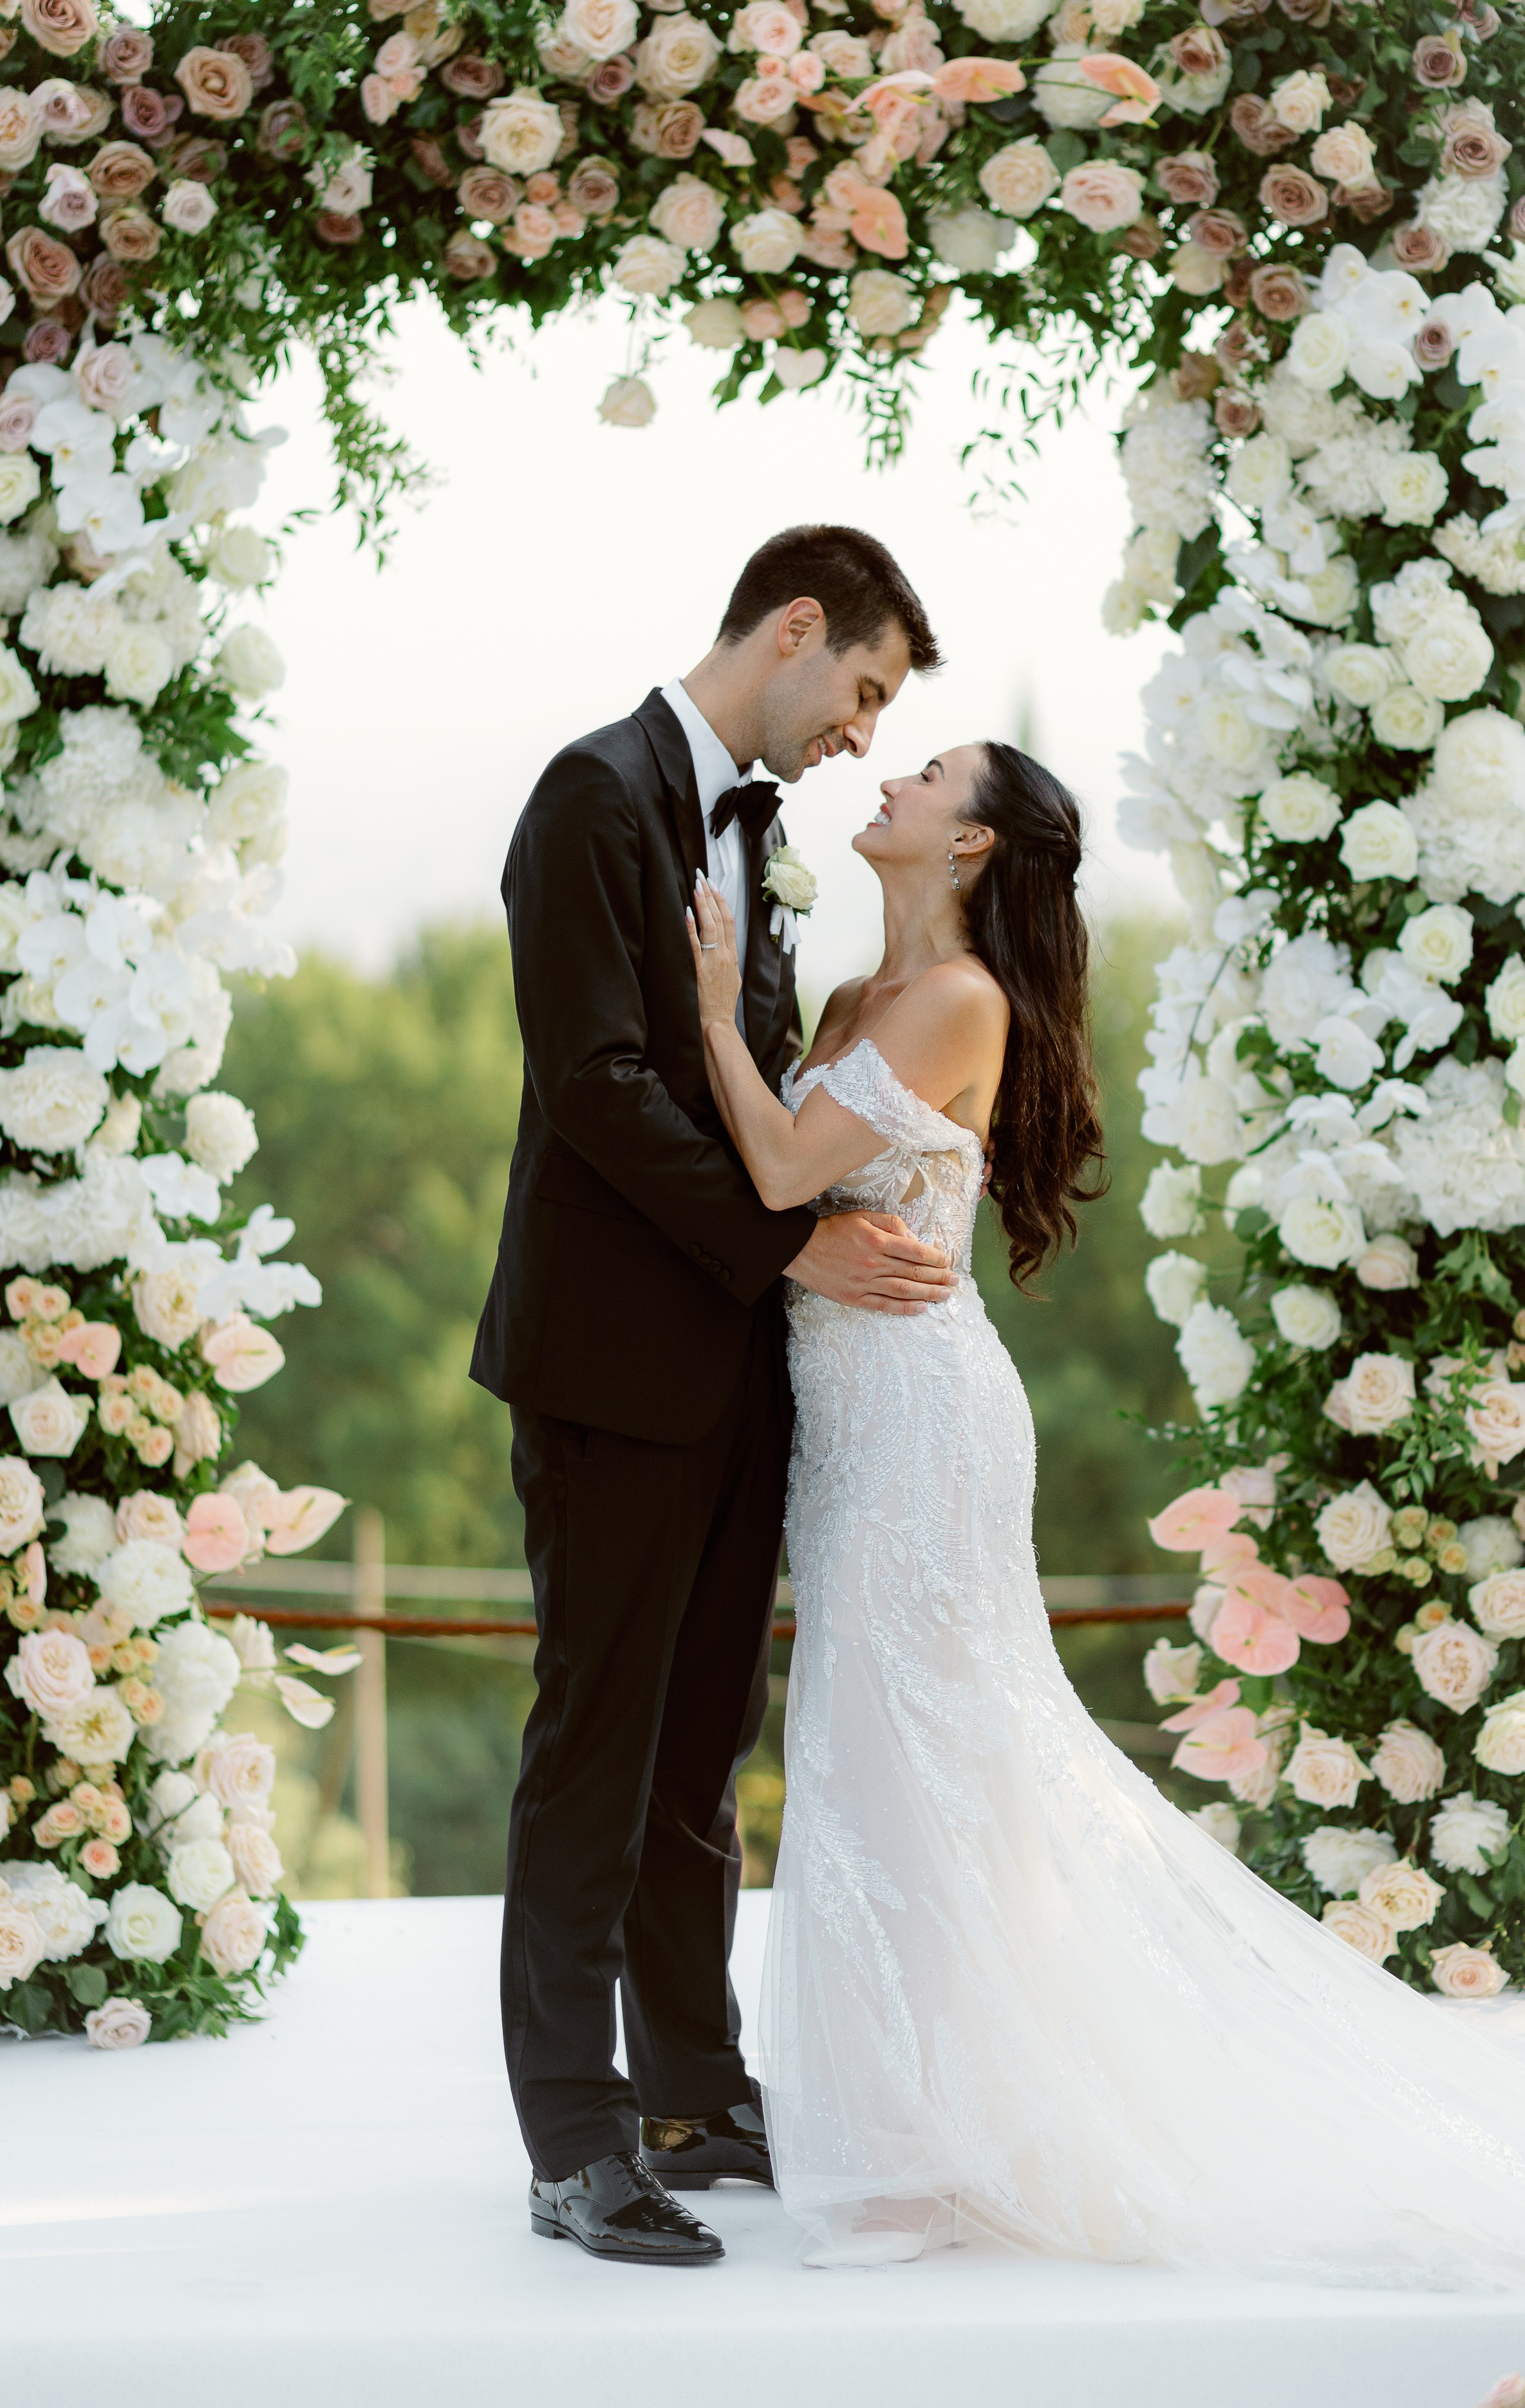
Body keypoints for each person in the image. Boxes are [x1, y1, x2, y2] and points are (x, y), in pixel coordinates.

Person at [688, 736, 1525, 2282]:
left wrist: (701, 1010)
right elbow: (797, 1199)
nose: (889, 778)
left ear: (977, 844)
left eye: (924, 771)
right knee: (887, 1750)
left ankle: (914, 2152)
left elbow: (789, 1159)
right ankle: (925, 2120)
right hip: (848, 1423)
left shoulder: (955, 1003)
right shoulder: (860, 997)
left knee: (913, 1752)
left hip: (923, 1423)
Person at [471, 525, 945, 2268]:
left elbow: (739, 1092)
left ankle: (689, 2077)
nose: (861, 736)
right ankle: (573, 2140)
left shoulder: (752, 828)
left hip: (742, 1368)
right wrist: (796, 1252)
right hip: (612, 1363)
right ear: (797, 627)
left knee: (702, 1748)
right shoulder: (590, 798)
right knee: (596, 1747)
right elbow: (593, 1085)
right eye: (866, 690)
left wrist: (791, 1263)